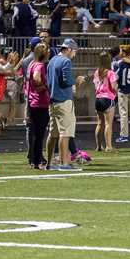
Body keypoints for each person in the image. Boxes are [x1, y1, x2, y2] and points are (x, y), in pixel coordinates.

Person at [45, 39, 82, 170]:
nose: (75, 54)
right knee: (65, 133)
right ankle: (63, 163)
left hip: (53, 101)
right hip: (64, 101)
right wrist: (77, 81)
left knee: (53, 134)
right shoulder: (66, 61)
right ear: (69, 49)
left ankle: (49, 163)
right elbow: (66, 81)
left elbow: (48, 82)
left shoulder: (52, 60)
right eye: (75, 51)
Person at [25, 43, 51, 169]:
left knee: (35, 133)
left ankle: (33, 159)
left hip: (32, 102)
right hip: (40, 103)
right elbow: (36, 77)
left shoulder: (31, 63)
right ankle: (37, 160)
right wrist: (44, 85)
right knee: (39, 134)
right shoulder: (40, 66)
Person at [113, 44, 130, 142]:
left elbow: (116, 77)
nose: (120, 53)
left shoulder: (120, 63)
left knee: (124, 113)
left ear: (124, 53)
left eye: (121, 51)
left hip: (123, 90)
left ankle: (124, 135)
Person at [92, 52, 117, 152]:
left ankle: (98, 146)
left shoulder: (97, 72)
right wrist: (116, 93)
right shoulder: (110, 72)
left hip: (98, 99)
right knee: (108, 124)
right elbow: (114, 86)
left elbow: (95, 86)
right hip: (107, 99)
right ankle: (109, 146)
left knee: (99, 123)